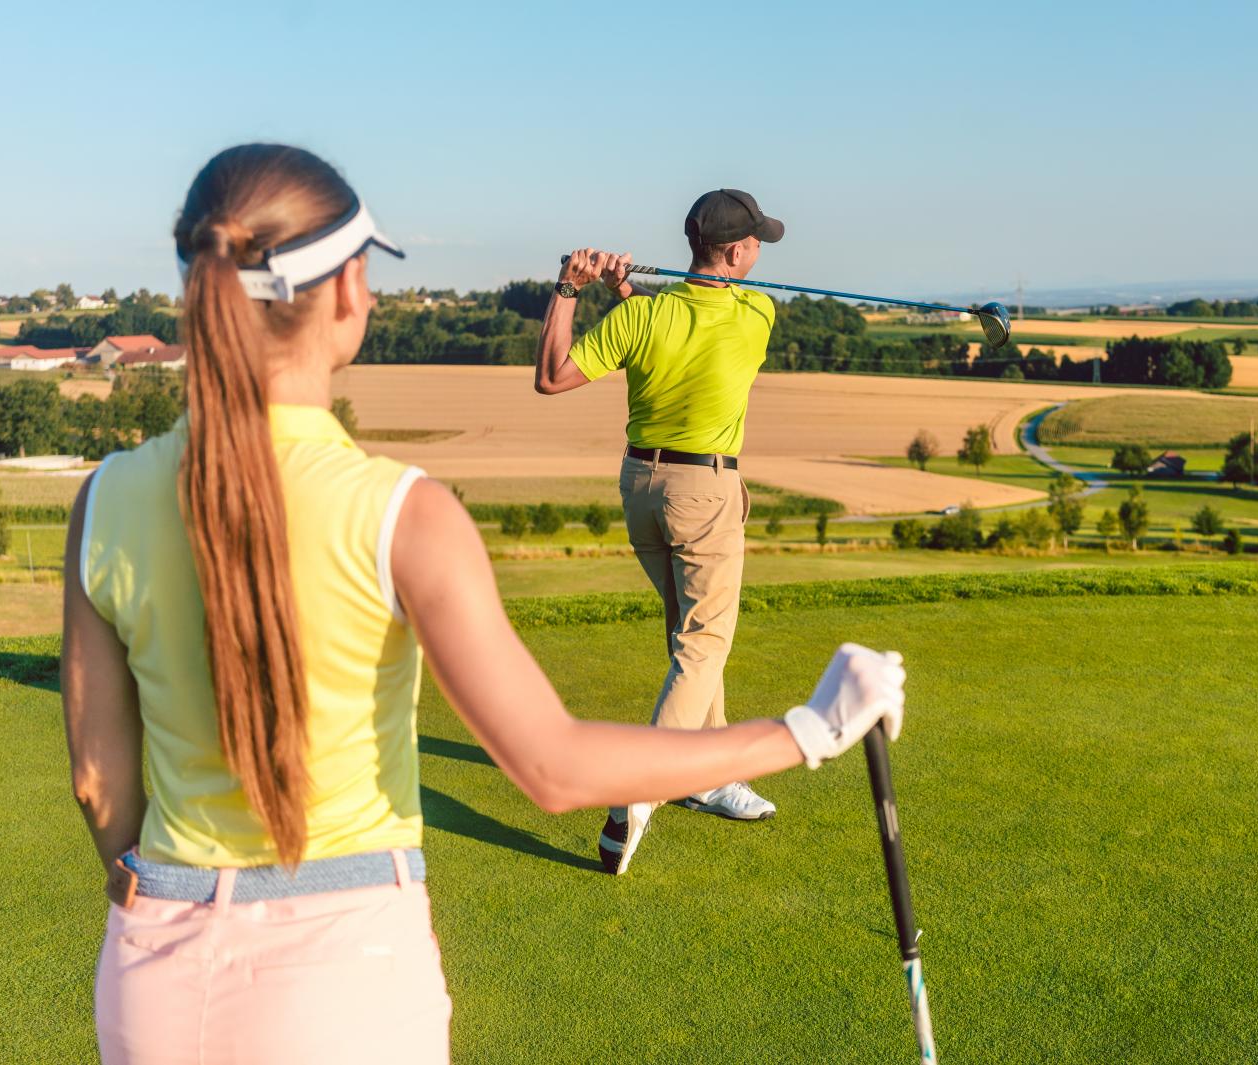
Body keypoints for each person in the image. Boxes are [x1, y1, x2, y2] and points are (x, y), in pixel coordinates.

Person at [63, 145, 906, 1065]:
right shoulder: (403, 511)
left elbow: (99, 783)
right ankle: (691, 778)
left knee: (690, 639)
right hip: (347, 969)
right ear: (348, 293)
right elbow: (551, 766)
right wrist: (811, 728)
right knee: (697, 643)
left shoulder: (103, 497)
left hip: (155, 967)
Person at [534, 189, 787, 873]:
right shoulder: (758, 311)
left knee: (693, 635)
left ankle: (706, 774)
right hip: (704, 492)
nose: (760, 251)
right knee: (704, 642)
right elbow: (691, 330)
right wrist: (629, 294)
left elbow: (553, 377)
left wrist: (571, 288)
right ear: (734, 252)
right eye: (756, 241)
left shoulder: (645, 317)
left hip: (641, 489)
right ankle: (643, 783)